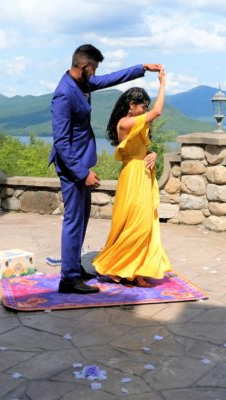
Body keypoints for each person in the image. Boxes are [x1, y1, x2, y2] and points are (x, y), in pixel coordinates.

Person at [49, 44, 162, 294]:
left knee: (81, 219)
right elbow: (60, 142)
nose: (96, 73)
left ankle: (75, 268)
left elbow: (111, 79)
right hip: (72, 167)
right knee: (73, 221)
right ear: (83, 66)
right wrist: (82, 173)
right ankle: (68, 279)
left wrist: (142, 68)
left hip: (81, 163)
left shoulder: (82, 83)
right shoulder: (64, 94)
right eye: (94, 68)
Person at [92, 68, 170, 287]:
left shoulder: (138, 124)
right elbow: (157, 112)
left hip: (143, 175)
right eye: (142, 106)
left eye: (146, 106)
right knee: (136, 224)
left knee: (145, 223)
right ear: (131, 106)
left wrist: (153, 154)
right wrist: (163, 84)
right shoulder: (125, 123)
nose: (145, 110)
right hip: (132, 176)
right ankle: (119, 266)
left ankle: (135, 271)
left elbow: (144, 150)